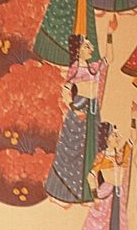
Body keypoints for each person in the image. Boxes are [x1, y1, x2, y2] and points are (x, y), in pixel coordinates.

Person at [66, 124, 136, 230]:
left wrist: (134, 118)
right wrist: (95, 195)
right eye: (114, 135)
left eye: (117, 135)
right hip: (106, 197)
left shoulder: (120, 156)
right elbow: (91, 176)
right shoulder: (102, 157)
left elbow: (132, 141)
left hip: (118, 199)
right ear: (107, 139)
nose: (118, 138)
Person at [45, 31, 110, 202]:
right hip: (80, 109)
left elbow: (108, 59)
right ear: (78, 50)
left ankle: (86, 194)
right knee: (73, 152)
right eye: (87, 46)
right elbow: (66, 90)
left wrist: (110, 34)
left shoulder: (92, 67)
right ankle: (64, 192)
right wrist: (74, 109)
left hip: (93, 112)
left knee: (91, 150)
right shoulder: (75, 68)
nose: (91, 49)